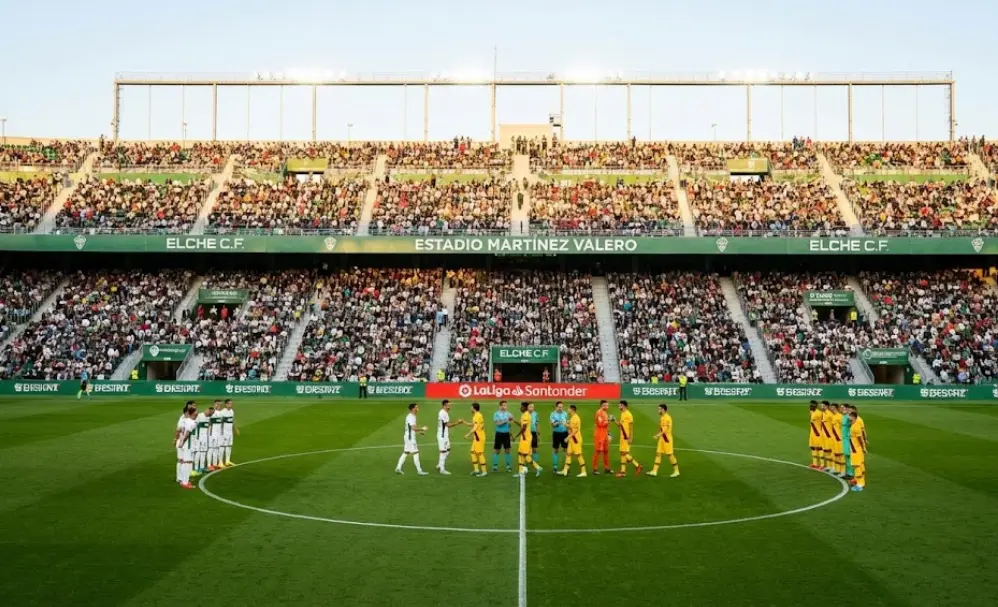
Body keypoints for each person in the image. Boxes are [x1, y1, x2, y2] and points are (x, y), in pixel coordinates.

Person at [395, 403, 428, 475]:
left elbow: (411, 429)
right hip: (410, 438)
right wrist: (422, 429)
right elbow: (413, 428)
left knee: (406, 452)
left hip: (408, 436)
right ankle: (419, 471)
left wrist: (419, 432)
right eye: (416, 407)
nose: (418, 408)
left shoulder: (412, 416)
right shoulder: (411, 417)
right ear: (413, 409)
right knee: (416, 452)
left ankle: (398, 468)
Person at [649, 404, 679, 478]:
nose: (658, 410)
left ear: (663, 409)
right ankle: (654, 471)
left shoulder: (667, 418)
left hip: (667, 438)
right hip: (662, 438)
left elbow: (665, 429)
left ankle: (676, 471)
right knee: (658, 453)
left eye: (659, 409)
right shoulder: (662, 417)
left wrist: (657, 435)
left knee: (670, 454)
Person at [514, 402, 543, 478]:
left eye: (521, 407)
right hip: (524, 438)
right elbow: (522, 425)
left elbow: (524, 428)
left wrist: (515, 436)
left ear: (525, 408)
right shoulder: (524, 415)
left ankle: (537, 467)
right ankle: (521, 472)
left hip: (525, 439)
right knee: (520, 454)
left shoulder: (526, 415)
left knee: (525, 455)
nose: (520, 408)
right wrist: (514, 420)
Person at [614, 400, 642, 477]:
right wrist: (614, 420)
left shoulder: (629, 415)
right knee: (622, 453)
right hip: (622, 436)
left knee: (624, 453)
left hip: (626, 437)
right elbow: (620, 425)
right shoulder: (622, 414)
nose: (619, 406)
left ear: (624, 406)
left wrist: (631, 437)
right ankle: (623, 472)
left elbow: (631, 427)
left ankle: (637, 466)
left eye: (620, 405)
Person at [436, 400, 463, 475]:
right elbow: (447, 425)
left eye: (449, 405)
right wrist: (457, 422)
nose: (449, 406)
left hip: (445, 435)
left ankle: (439, 465)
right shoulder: (442, 413)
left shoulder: (445, 413)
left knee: (447, 450)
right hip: (442, 435)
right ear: (444, 406)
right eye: (447, 405)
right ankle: (442, 469)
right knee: (443, 451)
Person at [559, 404, 586, 477]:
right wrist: (566, 424)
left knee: (578, 454)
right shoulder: (573, 417)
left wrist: (568, 437)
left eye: (569, 408)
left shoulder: (575, 418)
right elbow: (571, 428)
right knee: (568, 453)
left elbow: (575, 430)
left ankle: (584, 472)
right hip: (572, 439)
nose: (568, 409)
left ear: (572, 409)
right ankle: (565, 470)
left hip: (575, 439)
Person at [174, 403, 196, 490]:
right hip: (187, 444)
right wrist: (181, 442)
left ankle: (183, 480)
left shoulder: (184, 421)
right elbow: (187, 433)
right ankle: (184, 482)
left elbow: (179, 430)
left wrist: (178, 441)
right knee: (186, 462)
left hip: (183, 443)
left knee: (183, 461)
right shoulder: (191, 422)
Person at [464, 402, 487, 476]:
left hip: (479, 437)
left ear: (474, 408)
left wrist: (468, 434)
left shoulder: (477, 416)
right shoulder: (477, 415)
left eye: (471, 407)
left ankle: (484, 472)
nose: (470, 409)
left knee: (480, 453)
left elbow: (475, 427)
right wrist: (464, 422)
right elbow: (474, 424)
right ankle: (476, 470)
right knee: (473, 452)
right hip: (477, 437)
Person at [847, 408, 866, 492]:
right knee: (859, 467)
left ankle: (860, 484)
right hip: (855, 449)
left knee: (857, 467)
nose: (848, 417)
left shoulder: (855, 427)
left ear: (853, 417)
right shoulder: (853, 425)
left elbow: (860, 439)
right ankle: (857, 481)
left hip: (856, 450)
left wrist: (863, 448)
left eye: (849, 415)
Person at [492, 400, 514, 472]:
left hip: (506, 434)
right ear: (500, 406)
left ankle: (508, 466)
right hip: (499, 434)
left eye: (505, 405)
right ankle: (495, 466)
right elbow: (498, 424)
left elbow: (510, 425)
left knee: (508, 450)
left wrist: (511, 433)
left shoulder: (509, 414)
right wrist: (506, 420)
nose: (504, 407)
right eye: (503, 405)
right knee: (497, 451)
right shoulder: (496, 414)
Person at [191, 404, 212, 477]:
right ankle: (196, 468)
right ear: (206, 410)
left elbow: (208, 426)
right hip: (198, 438)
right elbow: (193, 426)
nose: (210, 413)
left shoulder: (208, 417)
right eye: (209, 411)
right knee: (198, 453)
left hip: (205, 438)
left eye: (211, 413)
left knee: (203, 452)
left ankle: (202, 467)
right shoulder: (199, 416)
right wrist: (195, 437)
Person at [592, 400, 611, 475]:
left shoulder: (605, 412)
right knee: (598, 451)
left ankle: (607, 468)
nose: (606, 407)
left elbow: (606, 425)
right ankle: (594, 469)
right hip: (599, 435)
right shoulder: (599, 413)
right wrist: (609, 420)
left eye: (607, 405)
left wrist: (608, 434)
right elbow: (600, 424)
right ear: (601, 406)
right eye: (604, 405)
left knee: (606, 451)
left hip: (605, 434)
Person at [550, 401, 569, 472]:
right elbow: (553, 424)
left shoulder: (565, 413)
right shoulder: (553, 414)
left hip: (564, 433)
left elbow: (567, 423)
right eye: (559, 407)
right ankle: (555, 466)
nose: (561, 408)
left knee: (566, 449)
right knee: (555, 450)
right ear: (556, 407)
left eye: (561, 407)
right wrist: (559, 422)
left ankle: (566, 466)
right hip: (556, 433)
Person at [829, 403, 845, 477]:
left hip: (839, 439)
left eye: (832, 407)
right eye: (831, 407)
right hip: (834, 438)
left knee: (841, 455)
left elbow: (844, 428)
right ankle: (837, 469)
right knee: (835, 454)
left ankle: (843, 471)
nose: (831, 408)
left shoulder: (840, 416)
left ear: (836, 408)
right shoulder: (834, 416)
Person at [208, 400, 225, 471]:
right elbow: (209, 421)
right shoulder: (212, 412)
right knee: (211, 449)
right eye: (217, 404)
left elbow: (221, 424)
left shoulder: (220, 413)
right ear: (214, 404)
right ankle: (209, 465)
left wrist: (221, 433)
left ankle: (215, 464)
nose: (218, 405)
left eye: (219, 404)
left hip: (218, 434)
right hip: (212, 434)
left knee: (216, 449)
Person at [808, 400, 824, 469]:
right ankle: (815, 463)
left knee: (820, 448)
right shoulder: (812, 412)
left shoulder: (819, 413)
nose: (811, 406)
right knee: (813, 448)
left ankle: (822, 465)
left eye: (812, 405)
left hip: (818, 433)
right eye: (811, 405)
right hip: (812, 433)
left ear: (816, 406)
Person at [221, 399, 237, 467]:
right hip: (224, 432)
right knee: (223, 447)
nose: (231, 405)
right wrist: (220, 431)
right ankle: (220, 462)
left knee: (229, 446)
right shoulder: (222, 412)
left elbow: (232, 421)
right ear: (226, 404)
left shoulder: (231, 411)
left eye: (231, 403)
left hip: (230, 432)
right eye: (230, 403)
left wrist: (235, 429)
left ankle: (227, 461)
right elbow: (220, 422)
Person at [820, 400, 834, 473]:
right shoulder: (823, 413)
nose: (821, 407)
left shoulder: (830, 414)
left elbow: (834, 425)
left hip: (829, 436)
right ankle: (828, 466)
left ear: (827, 406)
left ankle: (833, 467)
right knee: (826, 451)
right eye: (821, 405)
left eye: (823, 405)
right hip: (824, 436)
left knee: (830, 451)